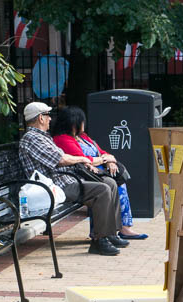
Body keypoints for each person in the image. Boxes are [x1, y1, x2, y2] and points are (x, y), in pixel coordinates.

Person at [18, 101, 125, 256]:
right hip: (54, 186)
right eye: (48, 116)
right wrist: (82, 159)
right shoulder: (32, 139)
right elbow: (60, 159)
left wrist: (81, 160)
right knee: (102, 190)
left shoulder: (43, 137)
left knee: (110, 182)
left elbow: (64, 156)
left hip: (65, 180)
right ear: (40, 118)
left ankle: (110, 234)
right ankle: (99, 241)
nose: (50, 119)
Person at [49, 106, 147, 240]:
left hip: (99, 170)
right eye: (82, 121)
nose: (84, 124)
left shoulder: (82, 137)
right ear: (73, 122)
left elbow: (101, 151)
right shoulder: (63, 139)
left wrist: (109, 161)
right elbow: (83, 159)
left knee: (117, 182)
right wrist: (103, 159)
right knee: (108, 186)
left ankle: (119, 229)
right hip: (86, 174)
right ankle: (107, 232)